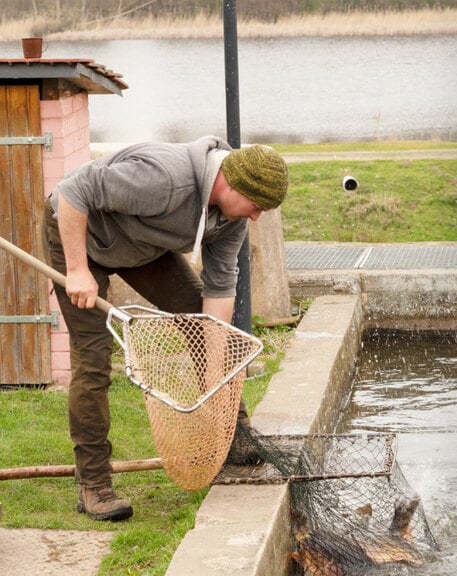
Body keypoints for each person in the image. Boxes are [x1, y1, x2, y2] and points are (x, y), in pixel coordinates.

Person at [43, 136, 289, 522]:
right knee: (92, 359)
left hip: (141, 246)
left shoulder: (230, 221)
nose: (256, 217)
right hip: (79, 232)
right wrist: (76, 269)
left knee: (198, 319)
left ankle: (233, 435)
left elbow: (219, 293)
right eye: (256, 207)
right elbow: (74, 192)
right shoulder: (165, 180)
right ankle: (94, 484)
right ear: (231, 184)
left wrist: (214, 382)